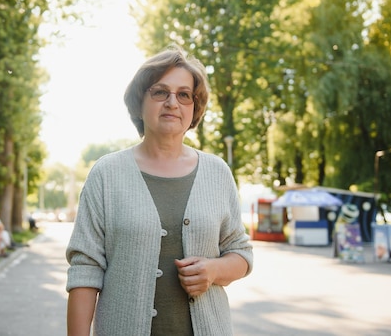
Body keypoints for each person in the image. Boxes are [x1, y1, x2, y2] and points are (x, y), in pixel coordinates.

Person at [66, 47, 254, 336]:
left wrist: (214, 271)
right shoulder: (106, 174)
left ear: (194, 108)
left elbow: (240, 253)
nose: (172, 103)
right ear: (139, 102)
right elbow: (85, 269)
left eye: (183, 95)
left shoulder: (217, 173)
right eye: (160, 92)